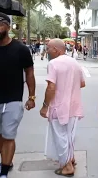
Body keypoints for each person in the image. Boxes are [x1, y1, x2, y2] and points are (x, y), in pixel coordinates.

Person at [40, 38, 85, 177]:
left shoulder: (53, 64)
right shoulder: (75, 63)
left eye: (48, 48)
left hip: (58, 107)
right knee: (69, 136)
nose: (47, 51)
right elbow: (82, 84)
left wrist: (44, 106)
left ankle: (67, 166)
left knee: (60, 137)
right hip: (74, 106)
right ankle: (70, 159)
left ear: (56, 49)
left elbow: (51, 87)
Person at [0, 12, 36, 178]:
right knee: (0, 136)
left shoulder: (20, 49)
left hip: (12, 100)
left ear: (8, 26)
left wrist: (32, 97)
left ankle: (4, 171)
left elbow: (29, 73)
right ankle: (5, 160)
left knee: (8, 136)